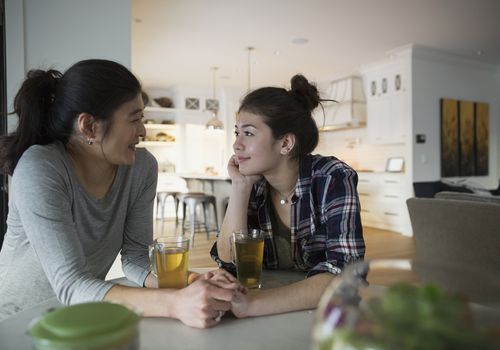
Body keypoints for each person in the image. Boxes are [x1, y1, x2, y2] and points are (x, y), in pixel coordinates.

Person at [0, 59, 240, 328]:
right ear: (89, 126)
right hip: (17, 321)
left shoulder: (141, 168)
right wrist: (175, 304)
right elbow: (70, 284)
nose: (143, 131)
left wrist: (194, 282)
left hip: (82, 315)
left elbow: (136, 259)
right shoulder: (40, 168)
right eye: (134, 118)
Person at [211, 74, 365, 317]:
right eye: (236, 133)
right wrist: (240, 186)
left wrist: (253, 305)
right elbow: (229, 259)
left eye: (248, 134)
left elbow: (347, 272)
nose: (236, 145)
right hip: (272, 309)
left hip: (321, 315)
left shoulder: (331, 178)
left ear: (285, 144)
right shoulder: (256, 185)